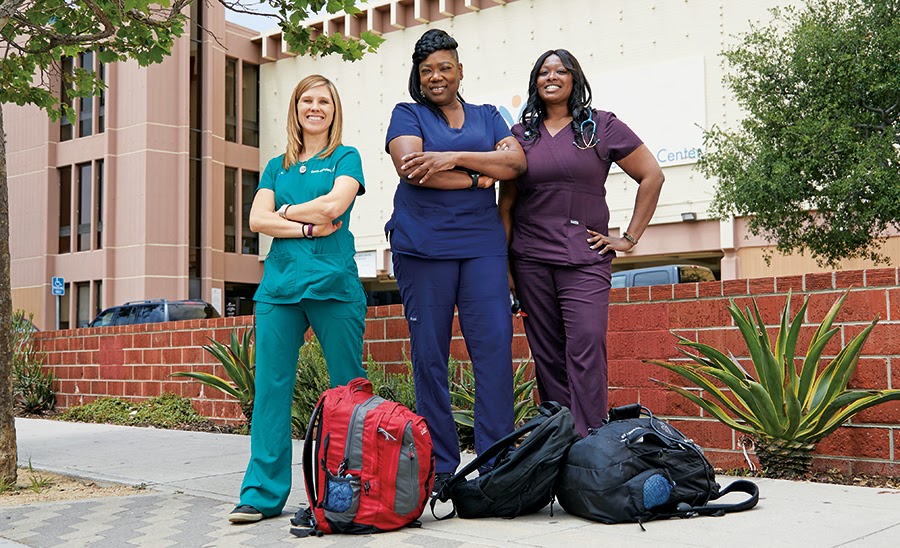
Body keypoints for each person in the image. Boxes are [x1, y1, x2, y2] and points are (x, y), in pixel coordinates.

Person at [385, 29, 527, 494]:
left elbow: (516, 165)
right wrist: (476, 178)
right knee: (430, 358)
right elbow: (413, 168)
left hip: (483, 247)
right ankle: (441, 466)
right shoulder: (407, 114)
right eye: (427, 70)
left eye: (444, 67)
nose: (436, 76)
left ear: (460, 70)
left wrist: (453, 157)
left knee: (493, 352)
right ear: (418, 77)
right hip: (422, 248)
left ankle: (496, 462)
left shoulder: (489, 115)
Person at [499, 50, 664, 437]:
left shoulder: (601, 125)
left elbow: (652, 176)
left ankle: (592, 439)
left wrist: (628, 238)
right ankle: (559, 439)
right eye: (543, 71)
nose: (551, 76)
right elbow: (505, 205)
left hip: (585, 258)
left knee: (586, 345)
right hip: (530, 260)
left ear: (575, 78)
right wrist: (505, 266)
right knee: (548, 355)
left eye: (561, 70)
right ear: (534, 82)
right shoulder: (520, 136)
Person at [229, 74, 368, 523]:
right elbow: (255, 220)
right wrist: (305, 225)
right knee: (270, 389)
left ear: (334, 110)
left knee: (349, 388)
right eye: (306, 100)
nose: (315, 107)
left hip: (333, 284)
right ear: (295, 108)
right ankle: (261, 493)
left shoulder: (346, 157)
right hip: (279, 289)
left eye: (323, 101)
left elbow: (334, 207)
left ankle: (351, 489)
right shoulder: (276, 166)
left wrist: (283, 213)